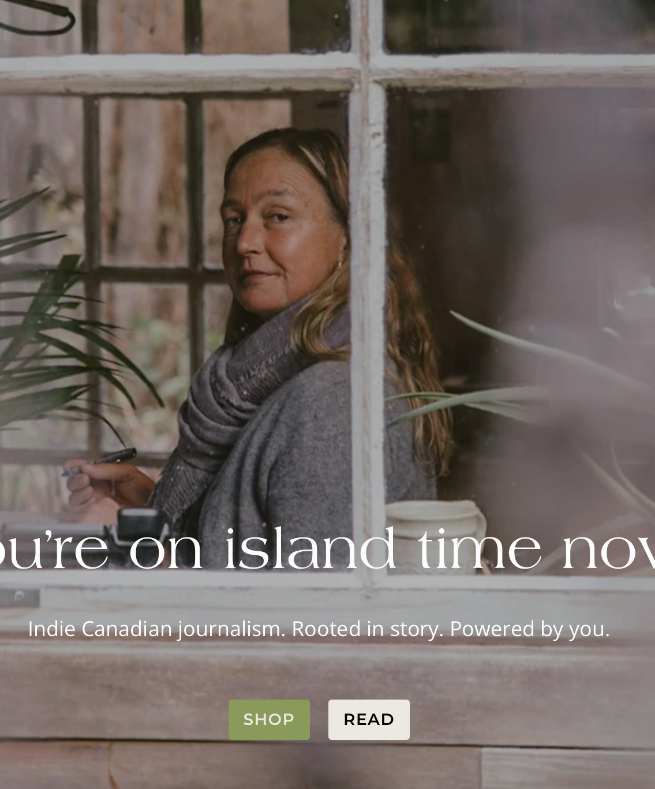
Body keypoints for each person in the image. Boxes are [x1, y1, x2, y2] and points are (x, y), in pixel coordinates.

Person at [62, 127, 452, 568]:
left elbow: (309, 622)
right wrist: (154, 506)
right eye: (234, 219)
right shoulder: (277, 377)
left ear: (348, 236)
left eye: (278, 216)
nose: (245, 243)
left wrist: (127, 548)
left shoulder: (332, 401)